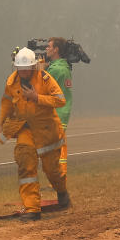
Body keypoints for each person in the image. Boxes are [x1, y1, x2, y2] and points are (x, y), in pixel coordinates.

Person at [0, 47, 70, 221]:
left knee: (52, 170)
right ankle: (32, 209)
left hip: (46, 131)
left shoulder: (45, 79)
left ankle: (62, 192)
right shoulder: (11, 82)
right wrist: (1, 123)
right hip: (25, 129)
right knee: (25, 163)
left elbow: (60, 100)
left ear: (34, 67)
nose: (22, 72)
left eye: (26, 68)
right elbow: (6, 103)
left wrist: (37, 97)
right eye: (19, 69)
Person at [45, 37, 73, 176]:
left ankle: (58, 180)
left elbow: (41, 87)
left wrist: (37, 70)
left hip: (55, 114)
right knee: (57, 150)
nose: (46, 49)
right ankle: (58, 179)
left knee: (55, 150)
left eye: (49, 46)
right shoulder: (64, 67)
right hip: (62, 113)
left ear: (56, 49)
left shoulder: (55, 70)